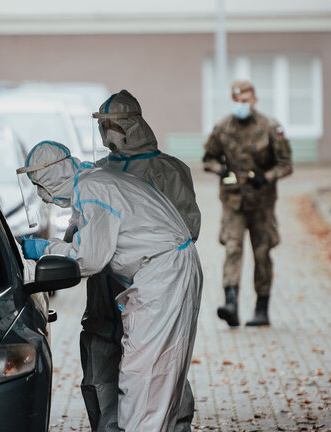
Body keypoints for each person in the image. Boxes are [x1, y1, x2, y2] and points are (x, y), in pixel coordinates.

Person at [19, 141, 203, 432]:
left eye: (39, 184)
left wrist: (45, 248)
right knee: (155, 373)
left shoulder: (93, 190)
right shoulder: (92, 182)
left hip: (162, 277)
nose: (42, 196)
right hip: (162, 273)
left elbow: (88, 259)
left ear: (51, 175)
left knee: (144, 375)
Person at [76, 89, 201, 432]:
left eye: (111, 125)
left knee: (159, 379)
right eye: (102, 126)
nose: (105, 133)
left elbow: (185, 229)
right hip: (104, 306)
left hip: (152, 299)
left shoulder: (168, 170)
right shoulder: (96, 173)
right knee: (103, 385)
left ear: (131, 125)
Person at [202, 79, 293, 328]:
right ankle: (230, 303)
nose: (242, 105)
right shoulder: (222, 128)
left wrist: (267, 177)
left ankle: (261, 309)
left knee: (262, 253)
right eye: (238, 101)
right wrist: (220, 170)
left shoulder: (270, 128)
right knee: (233, 248)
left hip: (262, 203)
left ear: (254, 100)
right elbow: (208, 158)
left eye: (246, 100)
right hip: (233, 201)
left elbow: (285, 164)